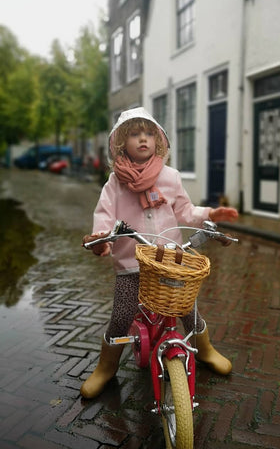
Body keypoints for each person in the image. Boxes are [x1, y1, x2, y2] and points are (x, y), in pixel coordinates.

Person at [80, 107, 238, 399]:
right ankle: (106, 366)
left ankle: (205, 350)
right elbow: (104, 218)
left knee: (187, 308)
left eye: (149, 133)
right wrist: (102, 240)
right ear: (121, 143)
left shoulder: (171, 176)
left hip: (170, 259)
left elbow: (185, 211)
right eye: (135, 134)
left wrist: (211, 215)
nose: (143, 139)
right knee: (122, 315)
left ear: (158, 140)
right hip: (131, 261)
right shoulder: (115, 182)